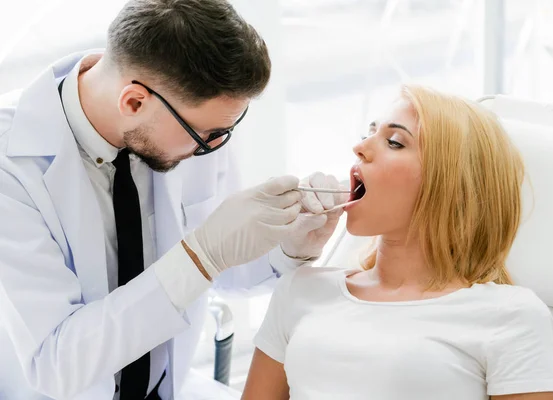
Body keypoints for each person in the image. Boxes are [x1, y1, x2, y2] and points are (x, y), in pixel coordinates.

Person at [0, 1, 345, 399]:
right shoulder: (11, 169)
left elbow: (220, 270)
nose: (214, 148)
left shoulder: (186, 125)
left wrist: (286, 247)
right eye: (207, 135)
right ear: (133, 102)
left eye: (226, 131)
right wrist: (202, 253)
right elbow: (57, 366)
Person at [242, 85, 553, 400]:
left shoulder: (512, 316)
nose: (361, 146)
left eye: (394, 142)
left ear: (452, 187)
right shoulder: (300, 288)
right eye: (369, 131)